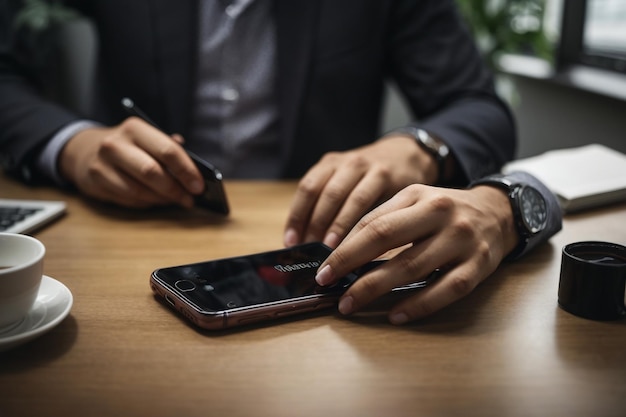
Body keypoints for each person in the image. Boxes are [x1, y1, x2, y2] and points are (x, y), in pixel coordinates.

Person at [0, 1, 562, 323]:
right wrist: (69, 142)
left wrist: (420, 145)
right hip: (119, 244)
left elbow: (479, 106)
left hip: (321, 251)